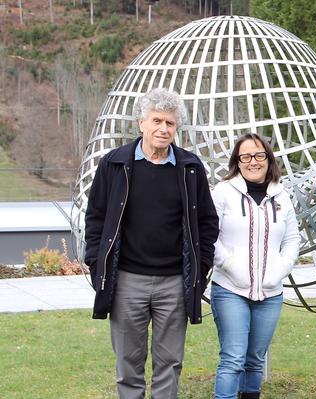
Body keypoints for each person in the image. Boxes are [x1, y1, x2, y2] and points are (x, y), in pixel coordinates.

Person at [84, 88, 219, 399]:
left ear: (177, 128)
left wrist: (201, 269)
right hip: (127, 280)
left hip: (174, 282)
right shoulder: (114, 164)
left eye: (170, 123)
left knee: (169, 363)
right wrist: (96, 263)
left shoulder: (191, 167)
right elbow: (96, 219)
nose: (164, 129)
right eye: (157, 121)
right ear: (140, 123)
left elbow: (208, 223)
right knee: (128, 363)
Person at [210, 133, 301, 399]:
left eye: (259, 155)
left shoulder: (282, 195)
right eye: (246, 156)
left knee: (255, 359)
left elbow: (293, 238)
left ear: (268, 159)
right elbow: (209, 236)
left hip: (270, 293)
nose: (253, 161)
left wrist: (280, 270)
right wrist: (229, 265)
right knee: (233, 358)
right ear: (237, 162)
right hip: (230, 290)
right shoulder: (223, 193)